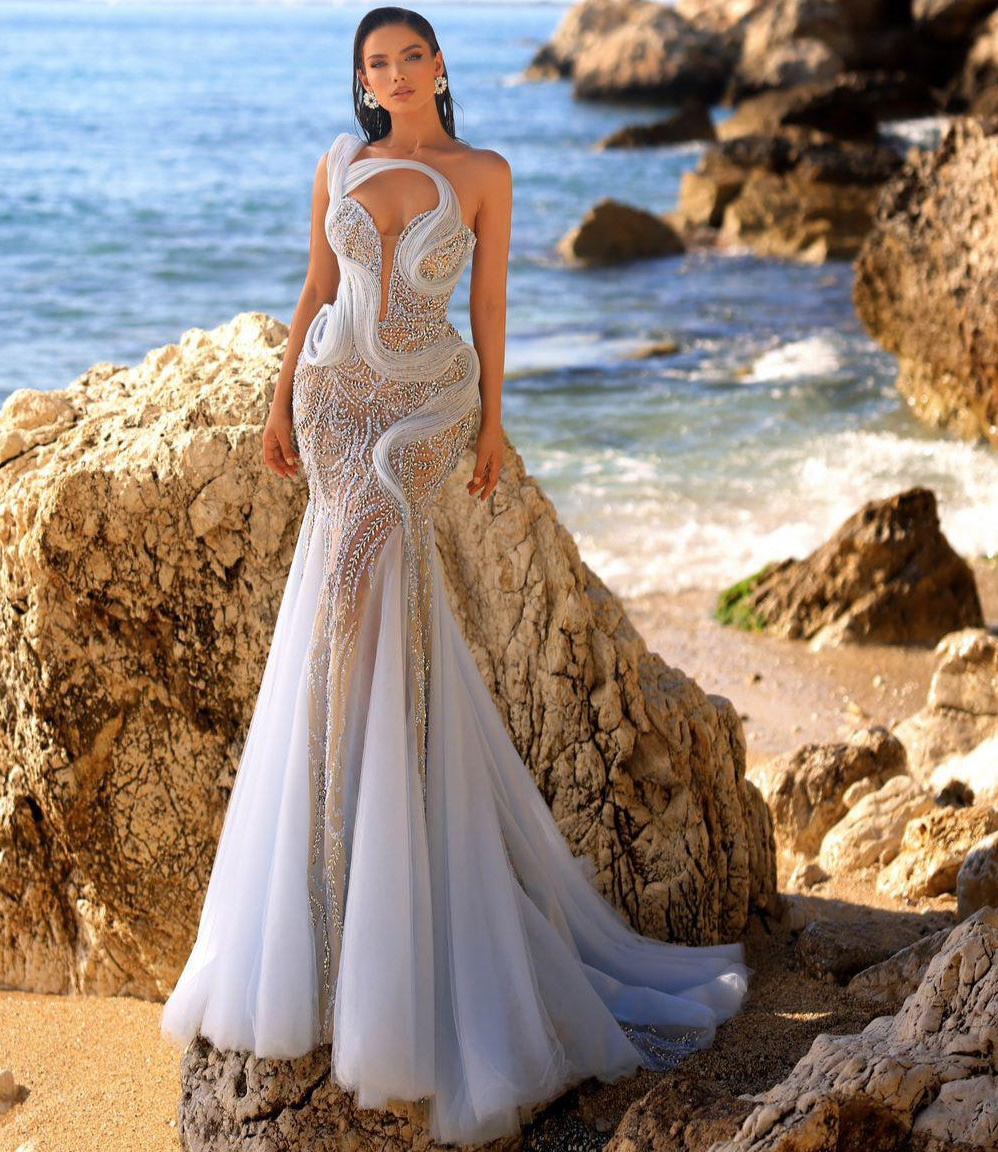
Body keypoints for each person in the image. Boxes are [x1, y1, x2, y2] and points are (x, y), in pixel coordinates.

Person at [160, 7, 753, 1146]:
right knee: (338, 619)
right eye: (371, 65)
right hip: (337, 406)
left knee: (377, 590)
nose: (389, 76)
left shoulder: (485, 171)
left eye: (406, 57)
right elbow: (316, 286)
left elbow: (489, 307)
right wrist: (285, 391)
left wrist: (491, 422)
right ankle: (330, 895)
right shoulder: (339, 159)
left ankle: (392, 910)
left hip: (428, 409)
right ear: (365, 81)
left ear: (437, 65)